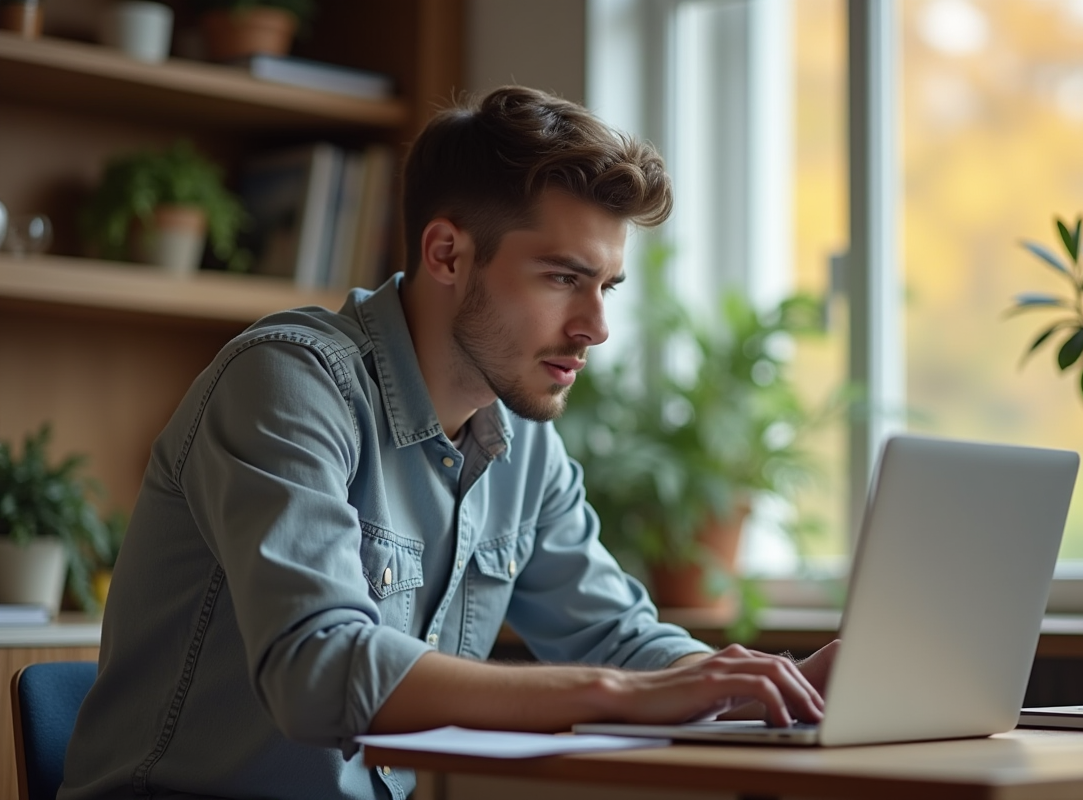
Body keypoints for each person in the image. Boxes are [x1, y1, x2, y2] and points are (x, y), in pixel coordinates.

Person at [60, 86, 838, 800]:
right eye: (564, 278)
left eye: (607, 287)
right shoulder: (288, 383)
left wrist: (783, 686)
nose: (596, 328)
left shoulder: (523, 442)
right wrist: (618, 697)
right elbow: (319, 670)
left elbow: (617, 635)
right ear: (446, 253)